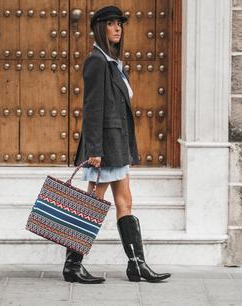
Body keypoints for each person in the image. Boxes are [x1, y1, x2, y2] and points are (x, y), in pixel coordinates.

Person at [64, 5, 171, 284]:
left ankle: (136, 265)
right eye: (111, 23)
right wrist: (94, 151)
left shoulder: (112, 62)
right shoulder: (96, 62)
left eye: (119, 24)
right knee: (91, 205)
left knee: (125, 202)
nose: (117, 28)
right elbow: (92, 109)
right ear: (100, 28)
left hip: (117, 145)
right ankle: (73, 265)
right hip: (104, 149)